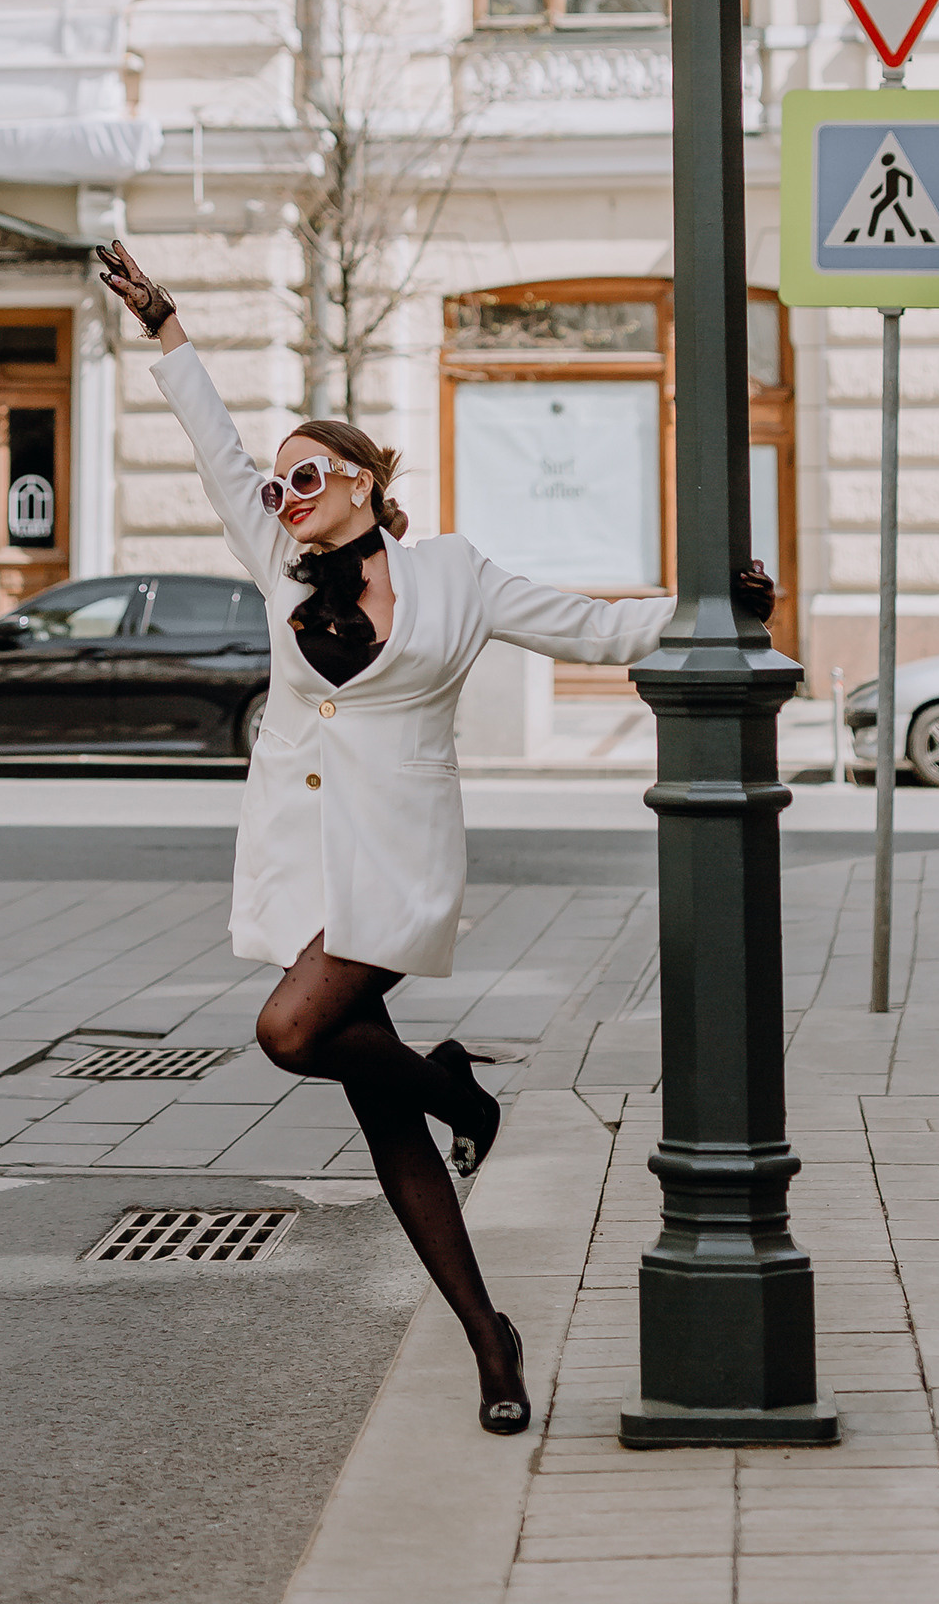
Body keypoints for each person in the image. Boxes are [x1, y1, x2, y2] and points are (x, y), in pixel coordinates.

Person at [95, 239, 692, 1436]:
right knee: (380, 1112)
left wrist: (711, 608)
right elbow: (213, 447)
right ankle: (490, 1340)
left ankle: (458, 1098)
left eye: (309, 475)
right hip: (301, 865)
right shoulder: (275, 562)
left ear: (367, 479)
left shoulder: (453, 577)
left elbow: (580, 627)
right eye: (280, 485)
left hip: (401, 857)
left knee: (291, 1029)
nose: (287, 494)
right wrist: (166, 328)